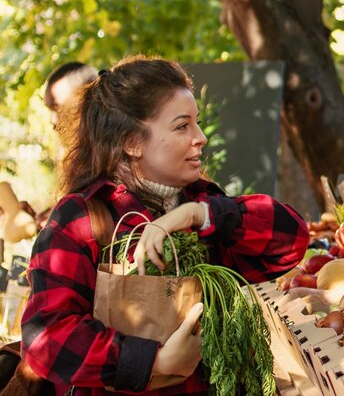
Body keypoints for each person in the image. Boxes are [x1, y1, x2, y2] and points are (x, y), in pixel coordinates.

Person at [20, 56, 310, 395]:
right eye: (182, 126)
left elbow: (292, 241)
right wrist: (152, 362)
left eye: (197, 123)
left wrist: (196, 216)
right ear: (132, 142)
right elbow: (45, 339)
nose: (200, 138)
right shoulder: (83, 218)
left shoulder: (200, 203)